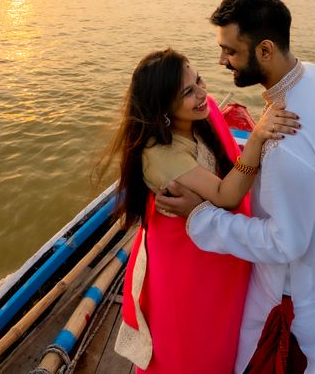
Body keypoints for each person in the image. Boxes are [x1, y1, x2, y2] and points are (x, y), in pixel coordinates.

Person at [156, 0, 315, 374]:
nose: (222, 61)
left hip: (296, 293)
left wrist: (201, 216)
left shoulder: (284, 146)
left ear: (265, 50)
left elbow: (285, 243)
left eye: (231, 51)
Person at [103, 48, 300, 374]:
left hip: (212, 247)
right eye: (187, 92)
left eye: (199, 81)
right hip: (187, 263)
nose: (202, 95)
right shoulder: (161, 154)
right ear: (162, 106)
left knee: (223, 331)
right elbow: (227, 196)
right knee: (191, 346)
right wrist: (256, 137)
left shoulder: (201, 114)